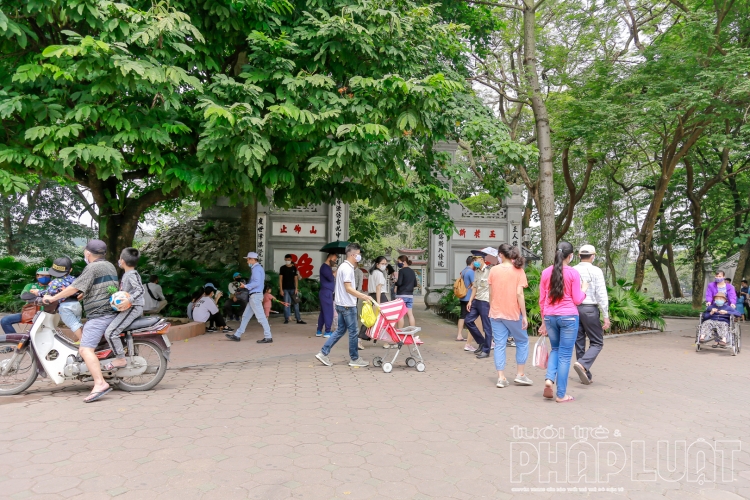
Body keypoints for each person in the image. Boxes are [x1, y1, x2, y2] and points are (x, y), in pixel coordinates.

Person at [42, 239, 119, 403]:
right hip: (108, 312)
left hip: (100, 315)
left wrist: (54, 297)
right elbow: (103, 286)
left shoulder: (92, 267)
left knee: (85, 349)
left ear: (88, 253)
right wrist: (86, 294)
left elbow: (74, 286)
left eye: (85, 251)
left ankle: (100, 383)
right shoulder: (109, 265)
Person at [538, 241, 588, 403]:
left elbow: (542, 300)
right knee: (565, 356)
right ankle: (561, 394)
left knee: (555, 349)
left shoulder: (546, 272)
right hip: (568, 317)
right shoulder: (573, 273)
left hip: (550, 316)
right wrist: (584, 289)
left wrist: (543, 321)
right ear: (571, 256)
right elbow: (577, 299)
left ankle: (549, 379)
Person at [315, 243, 374, 367]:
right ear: (352, 255)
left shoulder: (342, 266)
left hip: (341, 304)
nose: (359, 257)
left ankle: (323, 353)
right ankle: (354, 358)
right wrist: (364, 296)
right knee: (353, 332)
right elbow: (348, 288)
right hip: (348, 305)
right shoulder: (347, 268)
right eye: (358, 254)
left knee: (340, 330)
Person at [488, 244, 531, 387]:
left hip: (496, 312)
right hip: (512, 313)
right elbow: (519, 294)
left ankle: (501, 377)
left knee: (499, 344)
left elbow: (491, 293)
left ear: (500, 254)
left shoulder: (493, 270)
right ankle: (520, 374)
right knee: (522, 341)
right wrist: (524, 315)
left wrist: (492, 306)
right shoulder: (519, 271)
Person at [572, 245, 610, 385]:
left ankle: (586, 375)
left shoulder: (573, 270)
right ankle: (583, 364)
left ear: (578, 255)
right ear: (593, 256)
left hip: (575, 309)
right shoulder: (596, 271)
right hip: (590, 309)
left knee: (579, 342)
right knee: (597, 342)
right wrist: (606, 315)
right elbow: (601, 294)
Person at [102, 248, 146, 370]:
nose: (119, 261)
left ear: (122, 260)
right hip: (129, 307)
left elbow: (140, 290)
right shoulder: (128, 274)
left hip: (133, 308)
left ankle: (120, 359)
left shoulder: (132, 274)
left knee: (110, 333)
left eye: (120, 259)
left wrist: (129, 300)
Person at [226, 252, 274, 343]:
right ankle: (237, 335)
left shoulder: (256, 269)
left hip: (255, 296)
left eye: (248, 259)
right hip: (254, 296)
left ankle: (268, 336)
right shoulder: (257, 268)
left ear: (252, 259)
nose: (247, 261)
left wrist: (246, 286)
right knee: (246, 316)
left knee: (261, 317)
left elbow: (256, 282)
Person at [37, 257, 83, 341]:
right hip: (76, 305)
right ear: (71, 270)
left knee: (73, 324)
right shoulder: (74, 279)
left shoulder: (55, 282)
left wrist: (38, 292)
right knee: (77, 323)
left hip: (65, 306)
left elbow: (48, 293)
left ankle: (84, 342)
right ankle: (80, 340)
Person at [1, 267, 51, 334]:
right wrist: (43, 297)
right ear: (37, 276)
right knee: (5, 320)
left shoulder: (53, 286)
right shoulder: (30, 285)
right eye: (42, 275)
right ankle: (15, 342)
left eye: (47, 276)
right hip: (30, 313)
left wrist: (35, 295)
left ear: (50, 276)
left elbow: (54, 298)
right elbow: (24, 296)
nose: (44, 277)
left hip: (47, 314)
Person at [465, 255, 493, 359]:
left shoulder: (490, 271)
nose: (475, 262)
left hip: (485, 301)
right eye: (474, 260)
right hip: (476, 300)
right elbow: (475, 288)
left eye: (476, 259)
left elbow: (492, 287)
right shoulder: (476, 272)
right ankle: (481, 342)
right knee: (468, 321)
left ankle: (486, 350)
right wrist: (470, 301)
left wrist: (492, 302)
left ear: (482, 260)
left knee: (487, 327)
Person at [279, 255, 306, 325]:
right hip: (285, 289)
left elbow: (296, 279)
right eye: (286, 259)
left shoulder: (294, 268)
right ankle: (286, 318)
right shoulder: (282, 268)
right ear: (285, 259)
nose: (287, 261)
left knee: (296, 304)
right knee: (286, 304)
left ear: (291, 259)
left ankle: (298, 319)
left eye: (289, 259)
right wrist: (281, 289)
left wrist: (296, 288)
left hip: (293, 289)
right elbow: (280, 279)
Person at [317, 252, 338, 338]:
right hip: (326, 292)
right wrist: (335, 272)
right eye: (334, 259)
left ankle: (319, 330)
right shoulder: (325, 267)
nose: (335, 261)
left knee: (323, 312)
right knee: (329, 312)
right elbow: (330, 278)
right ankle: (327, 331)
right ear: (329, 258)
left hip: (326, 292)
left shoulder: (327, 268)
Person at [456, 255, 475, 347]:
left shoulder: (463, 271)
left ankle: (459, 335)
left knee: (462, 315)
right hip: (469, 297)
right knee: (471, 318)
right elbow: (474, 285)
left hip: (462, 296)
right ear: (472, 262)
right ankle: (470, 337)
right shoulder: (471, 272)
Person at [394, 255, 417, 329]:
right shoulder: (412, 271)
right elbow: (415, 284)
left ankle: (400, 332)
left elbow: (399, 283)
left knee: (401, 314)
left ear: (404, 262)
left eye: (399, 262)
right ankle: (412, 333)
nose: (398, 263)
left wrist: (395, 282)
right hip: (410, 295)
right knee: (410, 314)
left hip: (401, 295)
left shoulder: (401, 271)